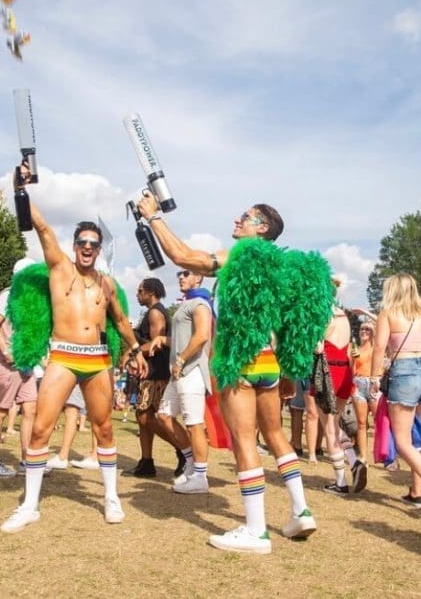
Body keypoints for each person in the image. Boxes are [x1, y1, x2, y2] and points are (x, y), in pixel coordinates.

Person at [134, 193, 323, 553]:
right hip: (269, 361)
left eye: (246, 217)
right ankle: (301, 511)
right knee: (275, 435)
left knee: (244, 442)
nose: (237, 220)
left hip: (240, 363)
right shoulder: (279, 266)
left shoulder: (238, 255)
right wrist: (286, 370)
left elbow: (183, 257)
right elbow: (289, 322)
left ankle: (256, 531)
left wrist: (154, 217)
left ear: (262, 228)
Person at [0, 168, 145, 533]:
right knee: (40, 430)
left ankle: (110, 497)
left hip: (97, 361)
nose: (86, 247)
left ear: (99, 249)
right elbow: (43, 228)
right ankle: (30, 504)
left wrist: (136, 348)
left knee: (105, 429)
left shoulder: (106, 283)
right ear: (75, 243)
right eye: (81, 241)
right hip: (63, 356)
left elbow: (122, 321)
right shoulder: (60, 268)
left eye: (93, 243)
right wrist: (20, 189)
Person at [371, 273, 421, 518]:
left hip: (404, 371)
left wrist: (374, 377)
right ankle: (416, 492)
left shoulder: (388, 313)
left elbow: (380, 346)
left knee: (402, 437)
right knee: (418, 438)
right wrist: (419, 345)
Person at [151, 268, 214, 493]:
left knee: (194, 423)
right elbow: (182, 338)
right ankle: (190, 462)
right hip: (178, 372)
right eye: (179, 273)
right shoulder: (186, 303)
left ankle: (200, 475)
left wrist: (181, 359)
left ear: (199, 277)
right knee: (164, 416)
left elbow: (202, 336)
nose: (181, 277)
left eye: (187, 273)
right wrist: (162, 339)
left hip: (191, 371)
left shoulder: (200, 303)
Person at [0, 259, 39, 477]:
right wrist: (5, 350)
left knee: (31, 409)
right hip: (7, 363)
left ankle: (27, 460)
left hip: (26, 363)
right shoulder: (8, 294)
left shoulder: (32, 299)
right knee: (0, 410)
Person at [124, 277, 175, 478]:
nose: (137, 295)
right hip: (150, 371)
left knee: (148, 416)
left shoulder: (155, 312)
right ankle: (146, 461)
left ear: (149, 292)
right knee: (142, 416)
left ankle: (183, 448)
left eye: (140, 291)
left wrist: (130, 354)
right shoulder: (152, 312)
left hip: (156, 371)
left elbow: (156, 344)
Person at [317, 305, 367, 495]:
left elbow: (317, 347)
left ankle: (341, 482)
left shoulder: (321, 313)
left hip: (326, 371)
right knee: (336, 425)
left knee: (330, 429)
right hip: (344, 371)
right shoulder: (342, 314)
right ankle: (354, 461)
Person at [350, 321, 377, 461]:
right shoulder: (355, 349)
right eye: (362, 328)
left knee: (380, 421)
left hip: (374, 384)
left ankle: (386, 454)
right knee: (361, 423)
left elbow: (382, 325)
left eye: (368, 329)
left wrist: (364, 311)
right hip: (359, 384)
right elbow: (352, 372)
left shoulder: (377, 347)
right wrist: (353, 360)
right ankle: (363, 457)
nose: (364, 331)